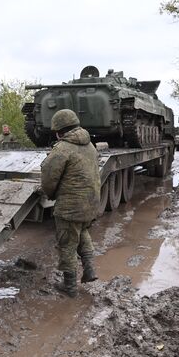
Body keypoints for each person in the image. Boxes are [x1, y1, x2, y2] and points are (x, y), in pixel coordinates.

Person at [40, 109, 101, 297]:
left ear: (59, 131)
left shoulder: (62, 148)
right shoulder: (90, 145)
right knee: (82, 232)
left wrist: (49, 194)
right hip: (90, 203)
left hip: (70, 206)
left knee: (67, 242)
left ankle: (70, 287)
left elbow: (49, 177)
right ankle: (90, 271)